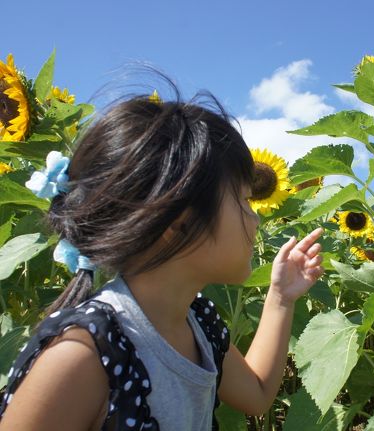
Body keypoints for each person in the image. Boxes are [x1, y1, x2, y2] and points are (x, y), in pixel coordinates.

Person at [0, 89, 324, 430]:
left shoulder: (196, 322)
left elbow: (256, 393)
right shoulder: (84, 356)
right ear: (178, 221)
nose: (255, 219)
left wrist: (281, 297)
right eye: (243, 201)